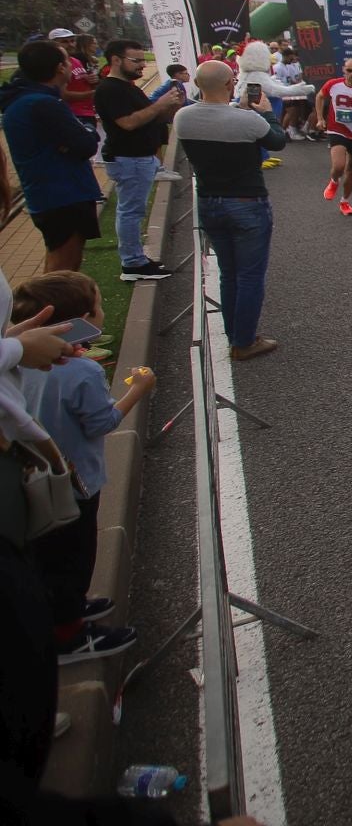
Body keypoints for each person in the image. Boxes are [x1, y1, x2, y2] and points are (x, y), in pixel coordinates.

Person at [13, 271, 156, 664]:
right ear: (75, 324)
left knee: (49, 557)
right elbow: (103, 424)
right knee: (74, 557)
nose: (103, 311)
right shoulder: (83, 372)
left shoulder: (20, 364)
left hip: (35, 480)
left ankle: (67, 607)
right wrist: (137, 391)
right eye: (98, 306)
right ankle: (69, 635)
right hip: (77, 483)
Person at [174, 61, 286, 359]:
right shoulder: (247, 120)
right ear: (229, 84)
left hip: (210, 200)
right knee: (250, 275)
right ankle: (244, 340)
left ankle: (234, 333)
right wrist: (265, 112)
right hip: (247, 201)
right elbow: (277, 141)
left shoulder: (183, 117)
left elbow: (217, 116)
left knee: (229, 272)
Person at [0, 40, 103, 273]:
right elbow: (86, 144)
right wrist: (85, 131)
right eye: (67, 60)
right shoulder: (43, 104)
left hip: (52, 193)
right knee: (64, 267)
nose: (70, 64)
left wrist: (76, 138)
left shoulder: (28, 99)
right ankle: (55, 307)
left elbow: (77, 142)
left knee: (60, 262)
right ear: (60, 68)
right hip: (62, 194)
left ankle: (55, 305)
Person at [93, 39, 181, 282]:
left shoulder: (128, 87)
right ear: (116, 60)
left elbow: (148, 118)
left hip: (139, 157)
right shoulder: (110, 89)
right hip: (128, 158)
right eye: (137, 60)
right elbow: (128, 122)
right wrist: (160, 105)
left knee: (133, 210)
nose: (142, 64)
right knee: (130, 211)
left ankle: (136, 259)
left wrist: (171, 107)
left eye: (143, 59)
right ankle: (132, 264)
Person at [310, 58, 352, 216]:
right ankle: (334, 181)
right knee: (339, 165)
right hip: (337, 129)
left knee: (351, 169)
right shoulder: (333, 84)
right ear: (344, 70)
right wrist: (320, 118)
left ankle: (345, 201)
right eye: (349, 70)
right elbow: (319, 97)